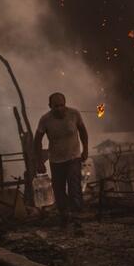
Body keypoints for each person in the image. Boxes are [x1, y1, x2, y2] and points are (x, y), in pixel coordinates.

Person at [34, 92, 89, 227]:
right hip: (56, 160)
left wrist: (85, 149)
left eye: (61, 105)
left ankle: (77, 219)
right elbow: (37, 141)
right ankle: (64, 215)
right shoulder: (45, 120)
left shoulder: (74, 114)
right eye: (55, 106)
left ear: (65, 104)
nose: (59, 109)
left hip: (73, 158)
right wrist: (39, 161)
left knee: (74, 187)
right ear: (50, 106)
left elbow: (83, 131)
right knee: (58, 190)